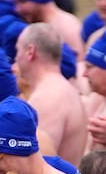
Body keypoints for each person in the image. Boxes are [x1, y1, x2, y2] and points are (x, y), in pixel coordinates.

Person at [15, 24, 85, 165]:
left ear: (30, 52)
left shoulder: (48, 97)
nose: (16, 58)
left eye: (17, 51)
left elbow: (38, 164)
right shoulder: (62, 89)